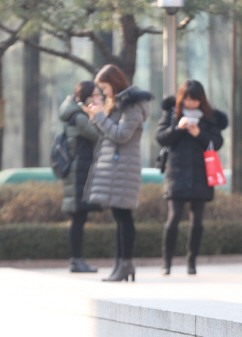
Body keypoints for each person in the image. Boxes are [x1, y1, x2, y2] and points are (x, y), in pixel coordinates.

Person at [82, 64, 153, 282]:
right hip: (116, 167)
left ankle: (126, 264)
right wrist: (96, 116)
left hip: (124, 167)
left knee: (124, 216)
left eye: (104, 87)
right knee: (120, 216)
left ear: (114, 83)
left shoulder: (131, 106)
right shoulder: (118, 104)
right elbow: (108, 134)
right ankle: (120, 264)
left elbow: (121, 135)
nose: (103, 92)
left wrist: (99, 118)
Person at [155, 80, 228, 276]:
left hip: (201, 173)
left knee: (197, 221)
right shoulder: (172, 113)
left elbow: (217, 142)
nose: (190, 103)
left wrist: (199, 134)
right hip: (176, 172)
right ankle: (166, 263)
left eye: (194, 99)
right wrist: (178, 128)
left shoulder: (209, 116)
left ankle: (191, 261)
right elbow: (160, 137)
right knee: (173, 218)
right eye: (186, 98)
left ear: (201, 99)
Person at [59, 81, 102, 273]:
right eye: (94, 94)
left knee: (79, 217)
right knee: (78, 218)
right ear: (85, 96)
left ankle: (76, 260)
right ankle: (76, 260)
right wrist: (98, 114)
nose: (96, 97)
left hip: (79, 172)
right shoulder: (79, 117)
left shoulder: (75, 114)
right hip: (79, 174)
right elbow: (99, 135)